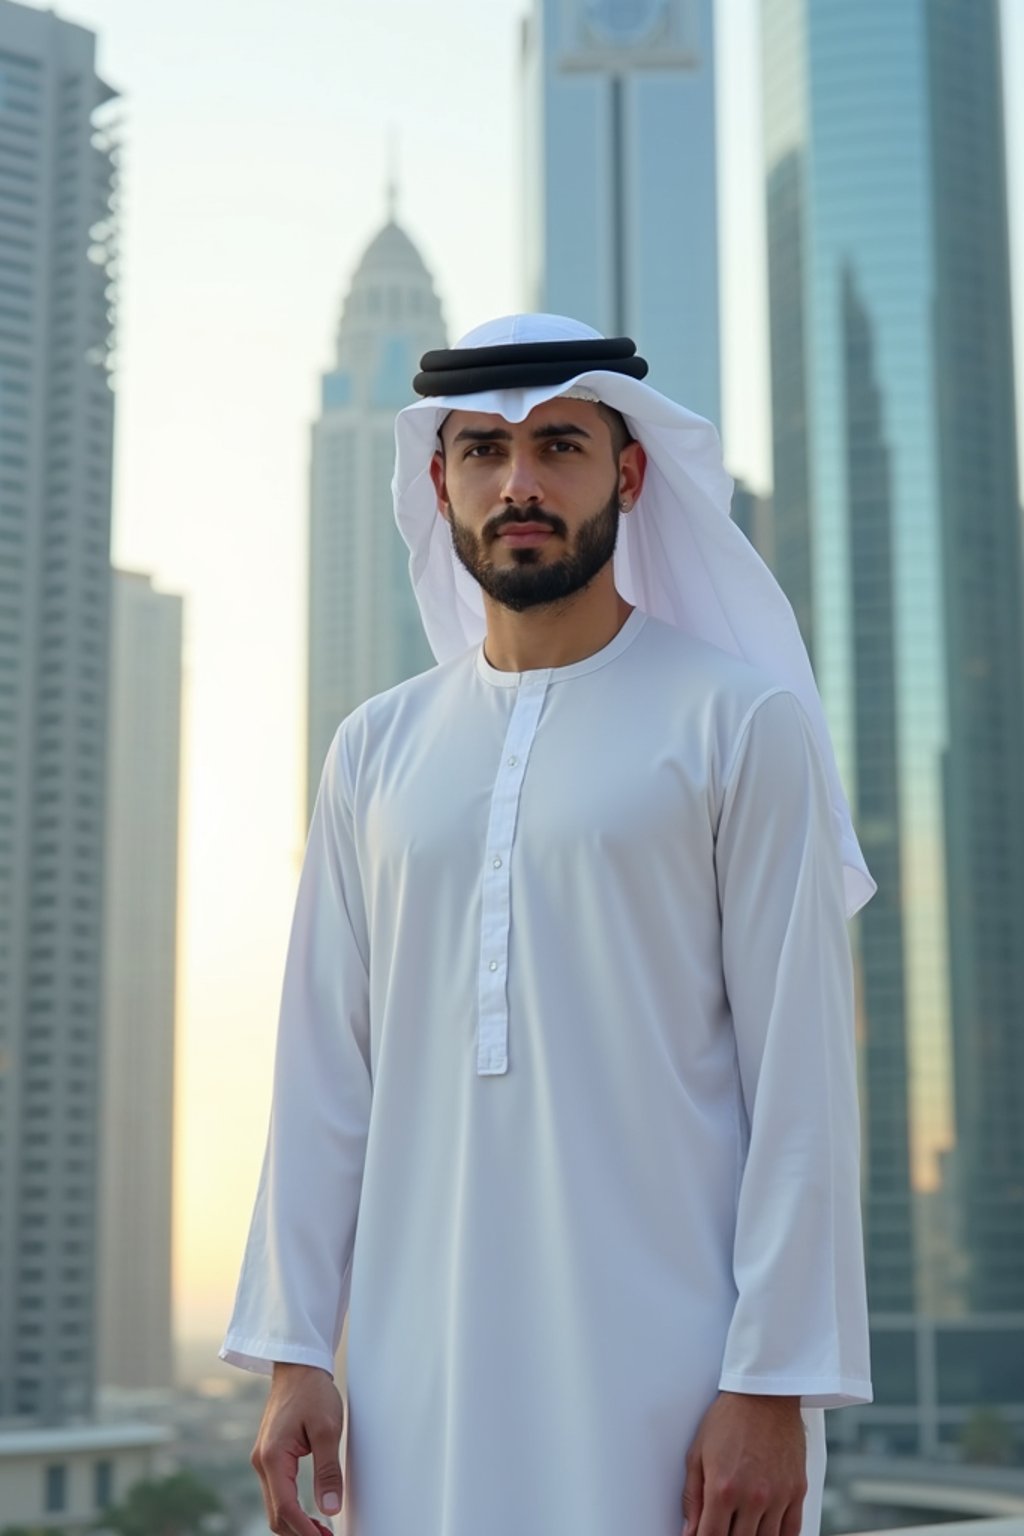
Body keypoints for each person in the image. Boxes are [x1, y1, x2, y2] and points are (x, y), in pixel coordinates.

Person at [221, 313, 874, 1536]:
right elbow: (321, 1075)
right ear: (440, 480)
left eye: (559, 445)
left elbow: (802, 1081)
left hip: (677, 1387)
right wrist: (295, 1350)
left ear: (627, 473)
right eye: (483, 451)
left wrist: (773, 1383)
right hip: (416, 1383)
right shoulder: (375, 748)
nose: (519, 483)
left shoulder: (738, 724)